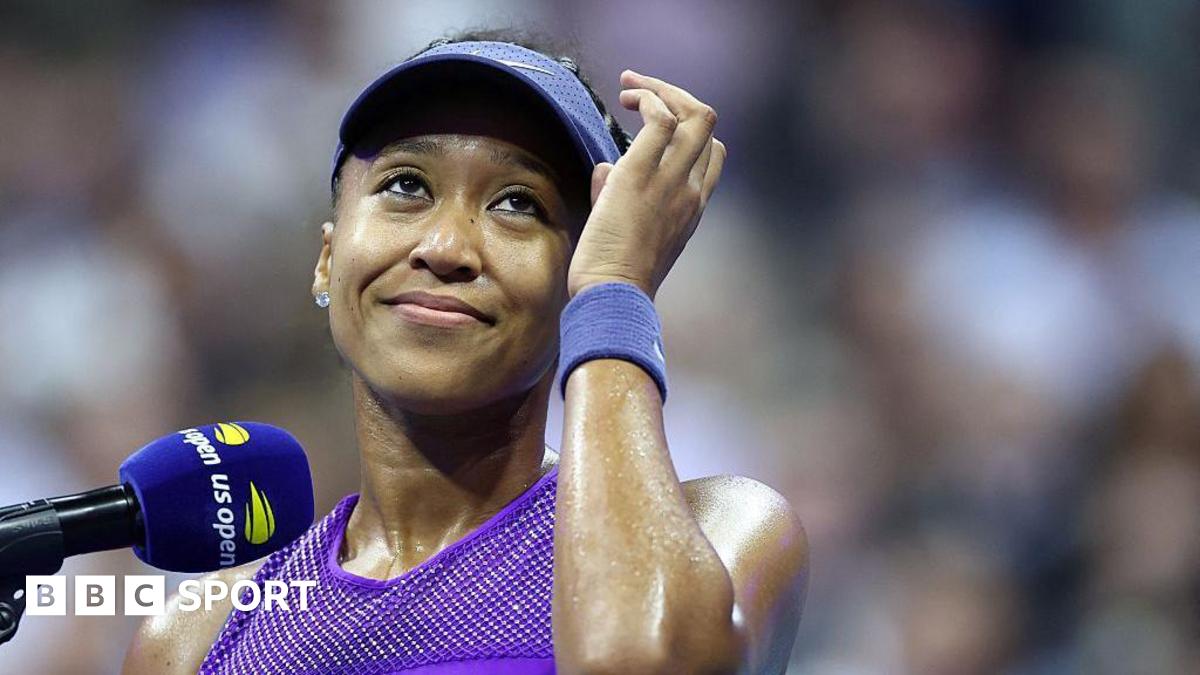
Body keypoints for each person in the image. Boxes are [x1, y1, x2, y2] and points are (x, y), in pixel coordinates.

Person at [123, 30, 807, 675]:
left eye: (518, 203)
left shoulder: (724, 529)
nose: (446, 247)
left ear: (579, 272)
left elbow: (633, 660)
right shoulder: (197, 633)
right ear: (327, 257)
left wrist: (616, 290)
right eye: (406, 186)